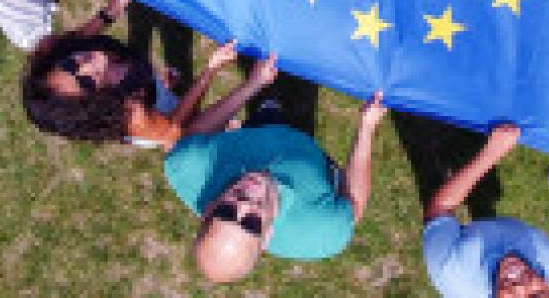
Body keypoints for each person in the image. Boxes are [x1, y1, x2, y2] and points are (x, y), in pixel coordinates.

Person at [163, 56, 388, 282]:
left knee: (269, 112)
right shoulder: (320, 231)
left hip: (261, 134)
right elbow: (353, 204)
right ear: (268, 236)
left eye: (226, 212)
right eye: (251, 223)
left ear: (209, 209)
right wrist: (366, 128)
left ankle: (270, 107)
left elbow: (196, 132)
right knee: (302, 132)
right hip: (312, 165)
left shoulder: (186, 166)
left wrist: (253, 84)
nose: (245, 204)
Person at [22, 0, 241, 147]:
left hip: (143, 84)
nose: (86, 65)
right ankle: (222, 131)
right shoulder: (129, 114)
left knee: (162, 88)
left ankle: (162, 86)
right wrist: (211, 69)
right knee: (188, 123)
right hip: (161, 120)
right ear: (94, 100)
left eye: (70, 64)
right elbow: (171, 132)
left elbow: (78, 38)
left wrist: (111, 11)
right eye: (86, 82)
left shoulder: (56, 52)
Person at [424, 124, 549, 297]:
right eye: (535, 296)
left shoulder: (453, 274)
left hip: (469, 250)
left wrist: (492, 153)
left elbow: (440, 210)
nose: (519, 287)